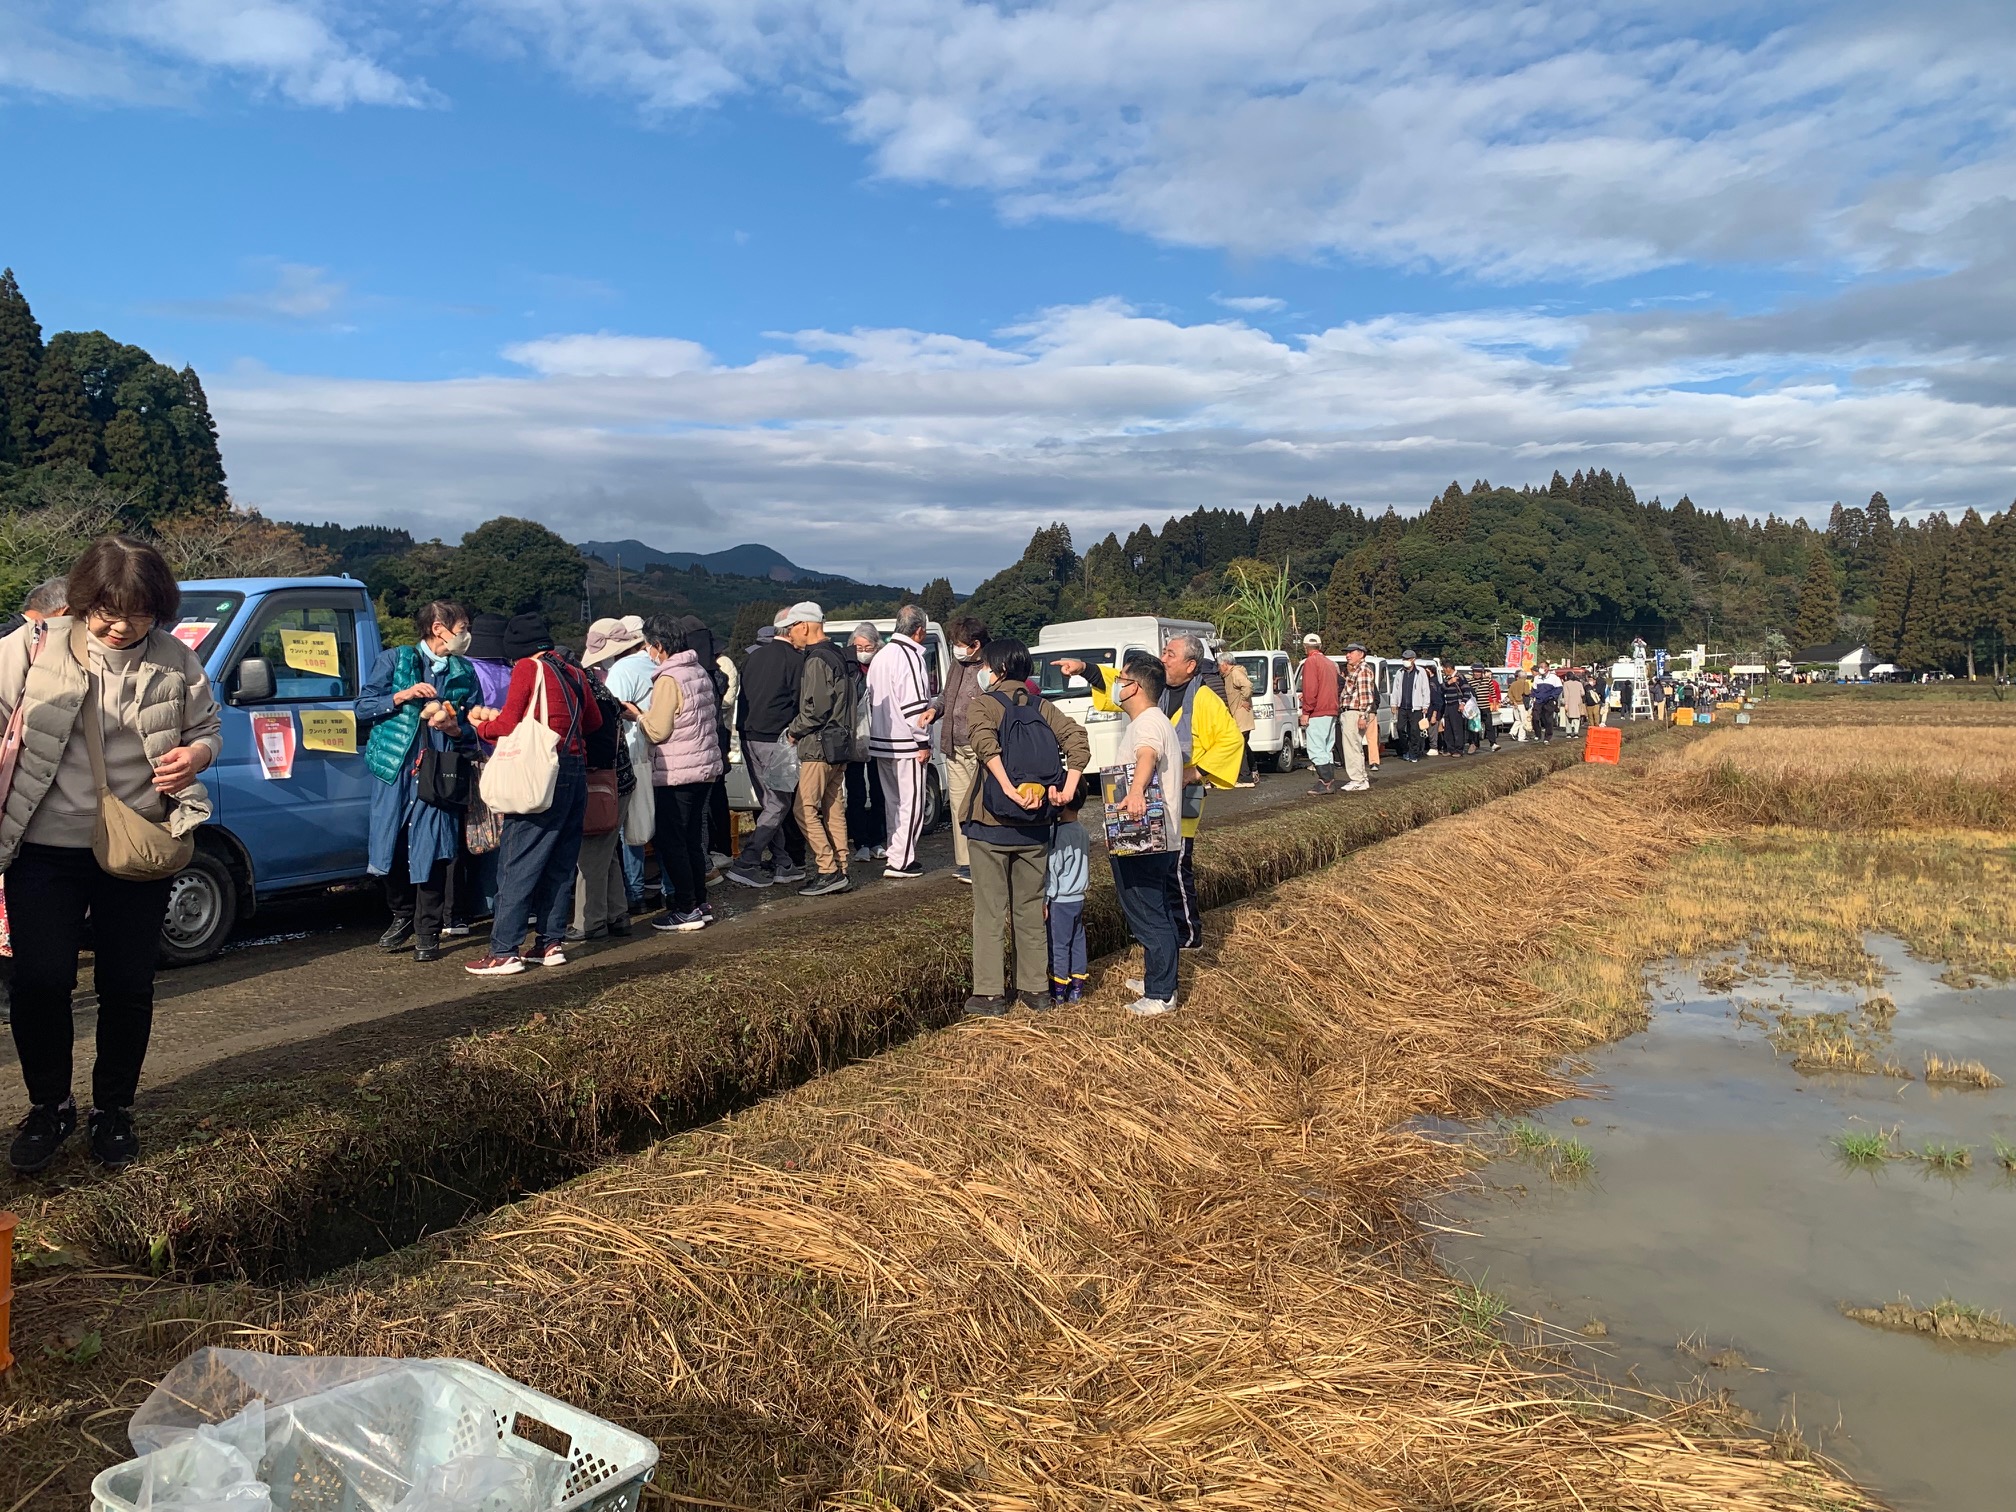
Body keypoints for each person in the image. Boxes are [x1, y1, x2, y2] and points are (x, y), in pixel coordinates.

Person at [1, 536, 221, 1172]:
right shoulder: (31, 648)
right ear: (81, 601)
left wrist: (197, 755)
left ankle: (112, 1111)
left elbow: (206, 728)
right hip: (42, 847)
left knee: (128, 984)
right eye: (107, 611)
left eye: (141, 613)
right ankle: (50, 1106)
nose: (122, 626)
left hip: (137, 844)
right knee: (42, 982)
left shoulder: (176, 660)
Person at [1055, 632, 1241, 951]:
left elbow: (1231, 741)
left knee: (1178, 865)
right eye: (1164, 652)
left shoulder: (1205, 698)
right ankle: (1164, 933)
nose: (1164, 657)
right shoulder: (1153, 689)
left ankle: (1187, 934)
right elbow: (1117, 681)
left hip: (1186, 791)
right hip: (1143, 796)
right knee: (1151, 866)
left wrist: (1196, 772)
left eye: (1171, 654)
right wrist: (1083, 667)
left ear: (1191, 665)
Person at [463, 613, 601, 976]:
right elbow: (594, 723)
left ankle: (504, 950)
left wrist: (482, 727)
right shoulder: (573, 671)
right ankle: (550, 942)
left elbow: (507, 724)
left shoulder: (528, 668)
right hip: (575, 770)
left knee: (518, 860)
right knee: (560, 860)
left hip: (539, 773)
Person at [959, 639, 1089, 1016]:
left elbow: (985, 744)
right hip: (1036, 825)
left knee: (989, 911)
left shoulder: (983, 704)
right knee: (1030, 909)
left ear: (996, 669)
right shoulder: (1044, 706)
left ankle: (989, 994)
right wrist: (1065, 790)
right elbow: (1078, 741)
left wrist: (1007, 788)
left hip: (991, 823)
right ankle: (1035, 990)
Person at [357, 600, 480, 964]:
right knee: (388, 846)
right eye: (463, 626)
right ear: (439, 627)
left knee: (435, 849)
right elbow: (362, 707)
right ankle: (401, 912)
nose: (466, 634)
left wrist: (456, 728)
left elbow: (476, 728)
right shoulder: (394, 660)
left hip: (440, 771)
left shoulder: (465, 673)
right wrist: (402, 695)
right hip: (395, 768)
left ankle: (427, 930)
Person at [632, 616, 725, 928]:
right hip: (704, 768)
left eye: (648, 646)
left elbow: (658, 730)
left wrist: (638, 716)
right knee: (692, 840)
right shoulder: (697, 670)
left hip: (677, 772)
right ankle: (700, 901)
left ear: (659, 645)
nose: (648, 652)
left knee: (673, 842)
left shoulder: (668, 679)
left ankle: (685, 908)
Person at [1107, 656, 1186, 1017]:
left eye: (1121, 678)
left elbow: (1147, 755)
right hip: (1160, 837)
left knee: (1148, 912)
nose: (1117, 684)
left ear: (1135, 687)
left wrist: (1136, 791)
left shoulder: (1148, 725)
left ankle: (1161, 993)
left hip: (1145, 838)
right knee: (1158, 910)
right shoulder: (1151, 720)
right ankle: (1160, 977)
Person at [725, 611, 808, 888]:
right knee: (779, 802)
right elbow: (801, 703)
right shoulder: (796, 661)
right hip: (778, 739)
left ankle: (783, 862)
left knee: (769, 802)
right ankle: (747, 860)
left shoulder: (753, 657)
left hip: (748, 736)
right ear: (790, 630)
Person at [782, 602, 857, 896]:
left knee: (804, 808)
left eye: (791, 629)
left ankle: (827, 869)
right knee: (833, 806)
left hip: (818, 745)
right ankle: (842, 865)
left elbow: (815, 709)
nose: (791, 635)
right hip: (841, 743)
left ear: (803, 626)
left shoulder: (815, 660)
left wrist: (793, 731)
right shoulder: (839, 653)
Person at [866, 603, 938, 881]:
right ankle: (901, 860)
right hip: (905, 742)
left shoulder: (882, 655)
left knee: (894, 802)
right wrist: (923, 742)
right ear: (919, 631)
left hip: (881, 739)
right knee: (912, 802)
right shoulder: (909, 656)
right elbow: (915, 708)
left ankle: (896, 852)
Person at [586, 615, 651, 912]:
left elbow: (613, 716)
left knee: (628, 830)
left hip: (630, 753)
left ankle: (634, 893)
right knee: (648, 822)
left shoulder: (621, 670)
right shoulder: (653, 662)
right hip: (655, 752)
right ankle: (660, 888)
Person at [678, 615, 737, 868]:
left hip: (697, 743)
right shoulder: (717, 673)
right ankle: (721, 847)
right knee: (716, 796)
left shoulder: (692, 674)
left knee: (702, 806)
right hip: (716, 737)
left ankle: (710, 854)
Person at [940, 614, 989, 883]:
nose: (957, 649)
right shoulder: (956, 665)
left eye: (961, 644)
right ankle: (966, 863)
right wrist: (933, 711)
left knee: (981, 804)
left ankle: (984, 860)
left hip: (979, 746)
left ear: (976, 644)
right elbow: (946, 697)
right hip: (953, 745)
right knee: (959, 806)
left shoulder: (991, 666)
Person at [844, 622, 890, 867]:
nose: (862, 650)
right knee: (855, 791)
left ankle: (877, 840)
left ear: (876, 646)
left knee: (879, 789)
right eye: (858, 646)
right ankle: (859, 841)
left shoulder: (882, 666)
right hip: (855, 736)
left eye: (867, 646)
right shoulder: (848, 667)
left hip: (879, 734)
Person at [1046, 792, 1091, 1004]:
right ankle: (1077, 987)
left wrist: (1046, 898)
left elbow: (1053, 868)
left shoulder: (1058, 834)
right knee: (1077, 940)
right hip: (1078, 897)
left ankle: (1058, 991)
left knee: (1059, 945)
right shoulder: (1082, 831)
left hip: (1060, 899)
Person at [1297, 632, 1340, 793]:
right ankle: (1330, 781)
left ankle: (1325, 782)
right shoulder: (1329, 663)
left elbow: (1311, 688)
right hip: (1331, 709)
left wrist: (1306, 711)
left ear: (1305, 647)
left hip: (1318, 710)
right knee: (1327, 747)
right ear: (1320, 646)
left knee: (1316, 748)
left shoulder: (1310, 662)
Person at [1335, 642, 1376, 791]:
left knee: (1351, 746)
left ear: (1361, 654)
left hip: (1354, 712)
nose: (1348, 655)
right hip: (1351, 712)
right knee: (1354, 746)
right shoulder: (1358, 670)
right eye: (1347, 652)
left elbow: (1365, 695)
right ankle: (1361, 778)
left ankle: (1357, 779)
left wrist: (1362, 715)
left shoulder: (1363, 670)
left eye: (1351, 652)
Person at [1220, 652, 1256, 786]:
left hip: (1241, 716)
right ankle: (1252, 770)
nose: (1219, 668)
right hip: (1240, 716)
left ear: (1225, 664)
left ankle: (1245, 777)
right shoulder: (1230, 674)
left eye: (1219, 665)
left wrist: (1245, 699)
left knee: (1239, 745)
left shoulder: (1235, 673)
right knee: (1244, 745)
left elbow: (1247, 685)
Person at [1394, 650, 1432, 761]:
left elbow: (1425, 689)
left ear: (1413, 660)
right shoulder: (1399, 672)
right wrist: (1394, 703)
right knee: (1400, 729)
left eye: (1407, 659)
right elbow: (1396, 689)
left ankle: (1414, 754)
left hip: (1416, 707)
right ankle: (1405, 750)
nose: (1405, 661)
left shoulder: (1420, 672)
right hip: (1402, 706)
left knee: (1415, 731)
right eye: (1404, 659)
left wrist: (1425, 705)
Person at [1466, 665, 1502, 752]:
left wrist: (1494, 705)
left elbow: (1493, 693)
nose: (1476, 674)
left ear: (1482, 672)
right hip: (1474, 708)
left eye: (1478, 672)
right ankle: (1474, 744)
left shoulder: (1488, 681)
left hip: (1485, 706)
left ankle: (1493, 743)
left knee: (1489, 725)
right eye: (1475, 672)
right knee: (1474, 727)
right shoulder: (1470, 682)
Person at [1562, 667, 1587, 736]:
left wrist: (1566, 703)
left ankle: (1569, 733)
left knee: (1568, 718)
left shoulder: (1566, 684)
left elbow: (1566, 694)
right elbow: (1583, 693)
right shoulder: (1579, 683)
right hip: (1578, 702)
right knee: (1577, 718)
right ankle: (1576, 732)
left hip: (1569, 703)